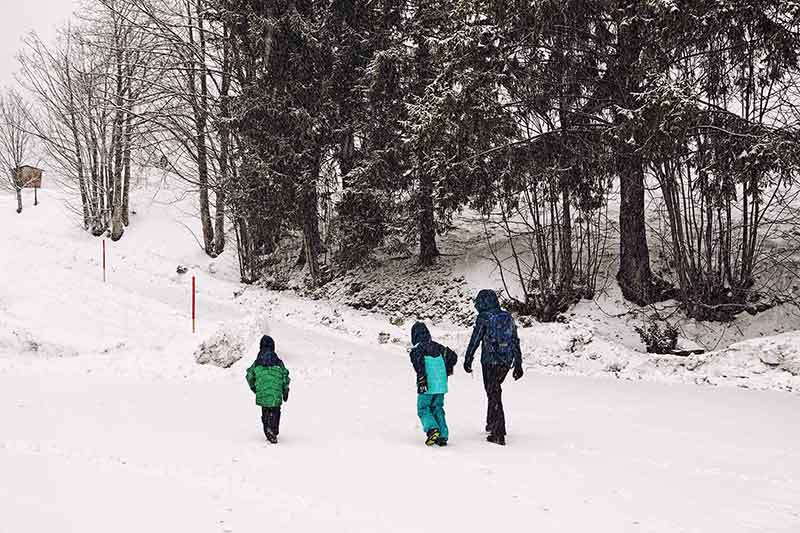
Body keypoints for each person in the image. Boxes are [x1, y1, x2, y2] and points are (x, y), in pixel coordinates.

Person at [463, 289, 524, 446]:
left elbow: (476, 338)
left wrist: (468, 358)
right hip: (506, 361)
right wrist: (518, 363)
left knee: (494, 393)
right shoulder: (507, 316)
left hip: (490, 361)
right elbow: (515, 340)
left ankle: (498, 433)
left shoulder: (484, 318)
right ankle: (491, 423)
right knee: (494, 391)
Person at [409, 322, 458, 446]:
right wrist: (447, 369)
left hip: (426, 384)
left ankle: (432, 429)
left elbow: (419, 366)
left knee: (423, 408)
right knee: (437, 408)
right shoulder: (438, 346)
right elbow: (453, 356)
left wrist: (421, 380)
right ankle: (442, 435)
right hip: (441, 384)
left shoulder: (417, 349)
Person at [246, 335, 291, 444]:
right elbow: (285, 376)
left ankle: (267, 429)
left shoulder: (257, 362)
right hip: (276, 393)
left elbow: (249, 376)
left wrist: (255, 388)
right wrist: (285, 390)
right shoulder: (278, 362)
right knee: (276, 410)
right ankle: (274, 430)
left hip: (263, 392)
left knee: (265, 410)